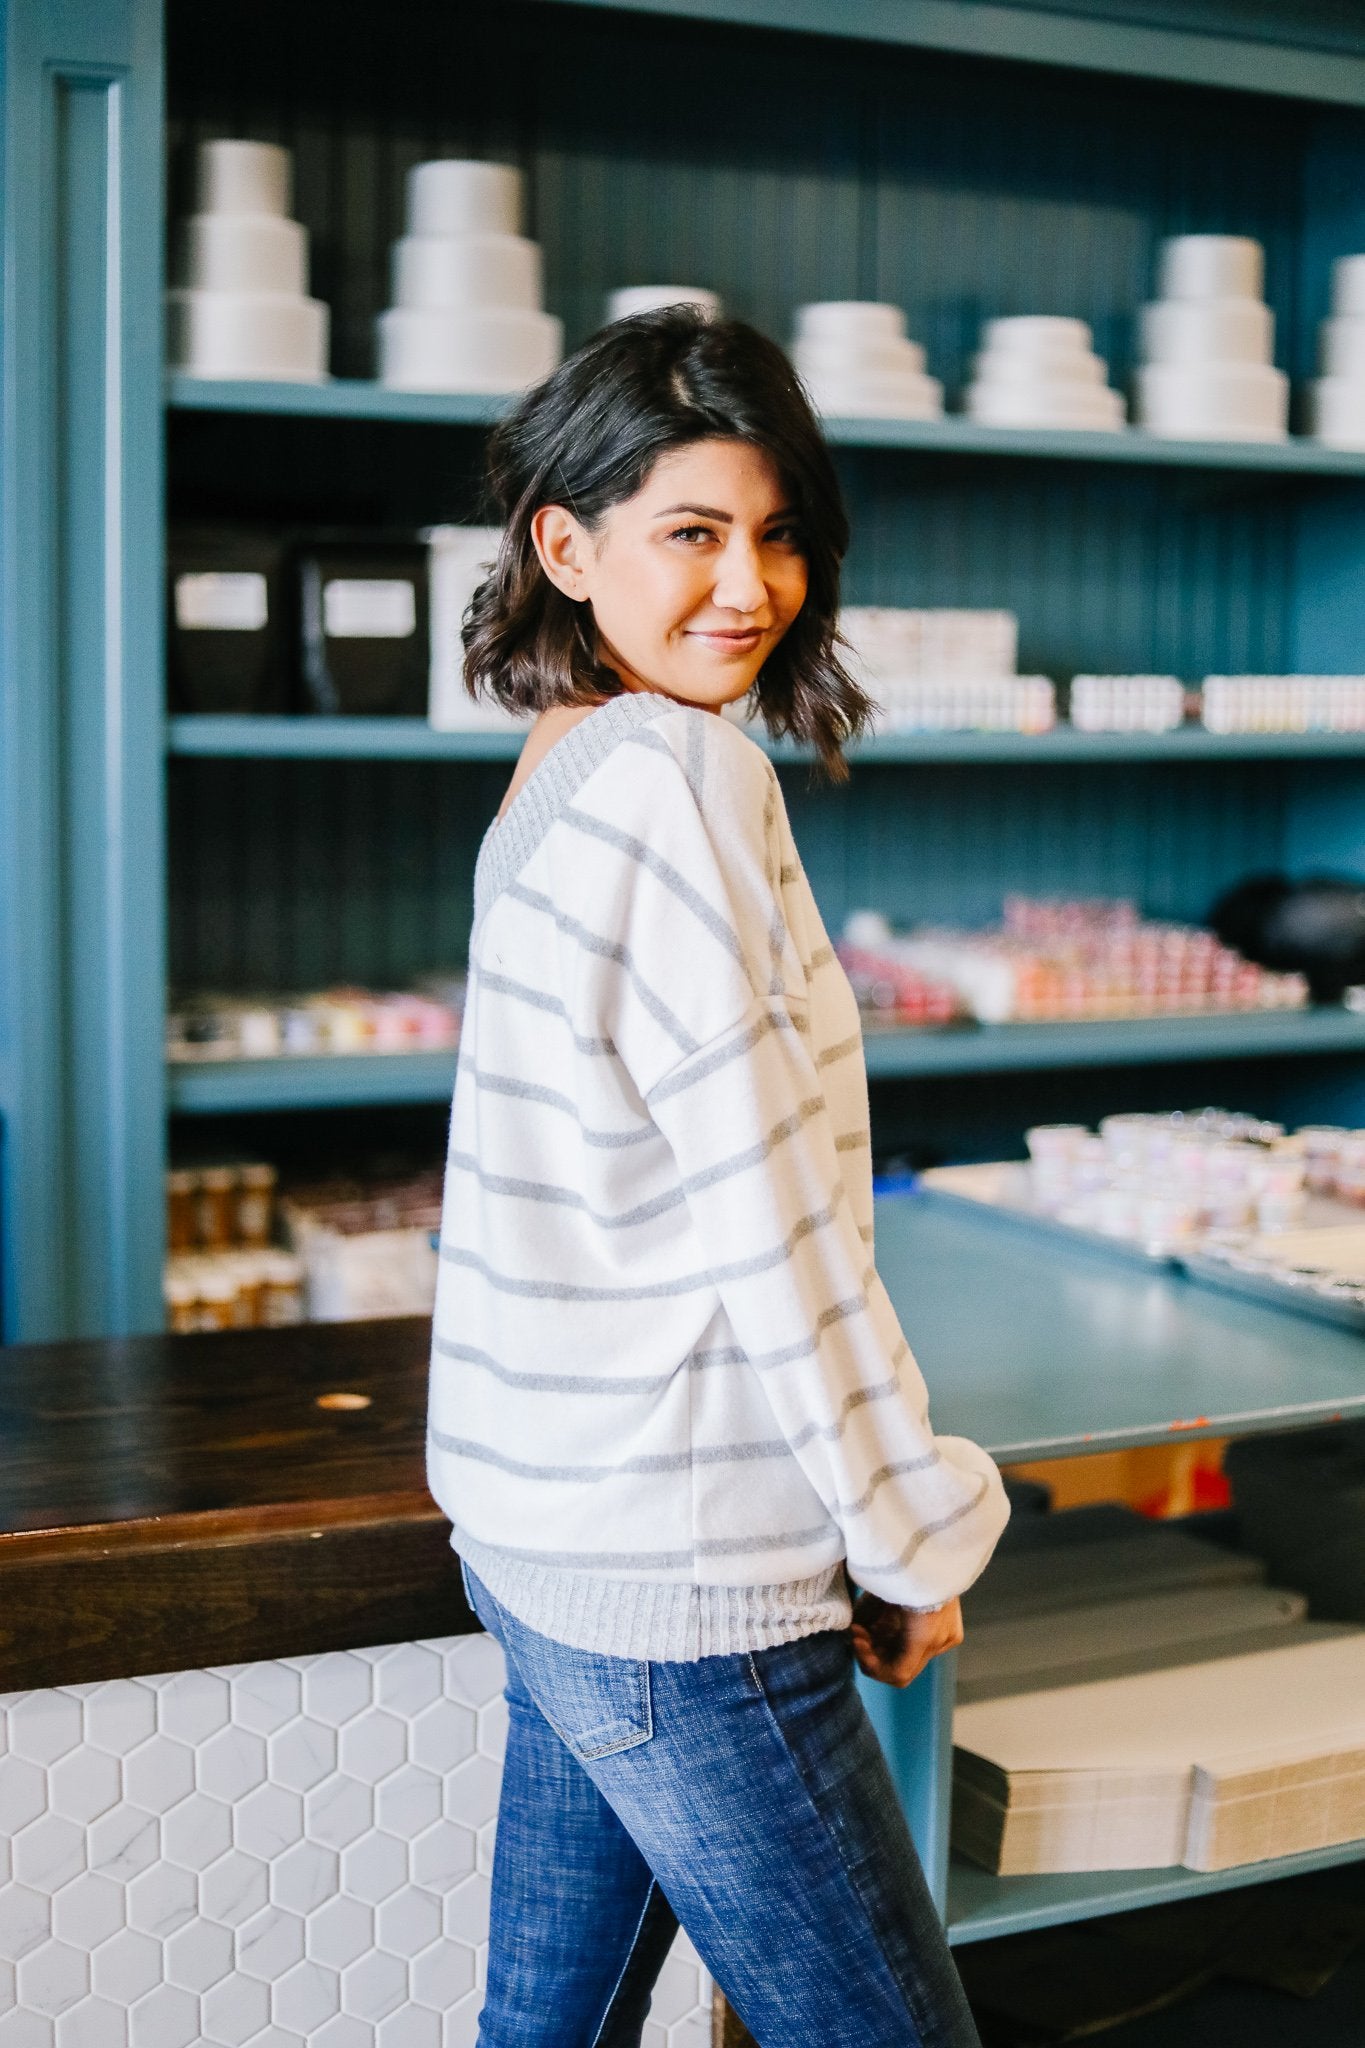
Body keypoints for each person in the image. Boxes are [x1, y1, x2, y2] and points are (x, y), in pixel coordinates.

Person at [426, 306, 1009, 2048]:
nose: (747, 585)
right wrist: (904, 1534)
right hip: (688, 1588)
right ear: (564, 543)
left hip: (550, 1542)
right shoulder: (680, 779)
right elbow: (782, 1230)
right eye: (690, 532)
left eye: (776, 533)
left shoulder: (558, 772)